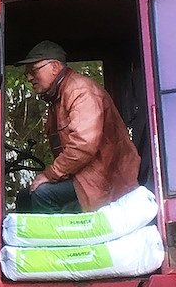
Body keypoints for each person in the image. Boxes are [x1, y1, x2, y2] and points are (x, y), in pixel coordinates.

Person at [16, 41, 141, 213]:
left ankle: (56, 233)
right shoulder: (57, 98)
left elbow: (84, 144)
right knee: (25, 196)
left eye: (34, 70)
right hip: (83, 176)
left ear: (55, 67)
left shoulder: (80, 91)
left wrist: (50, 174)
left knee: (42, 194)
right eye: (27, 73)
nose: (29, 77)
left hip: (105, 178)